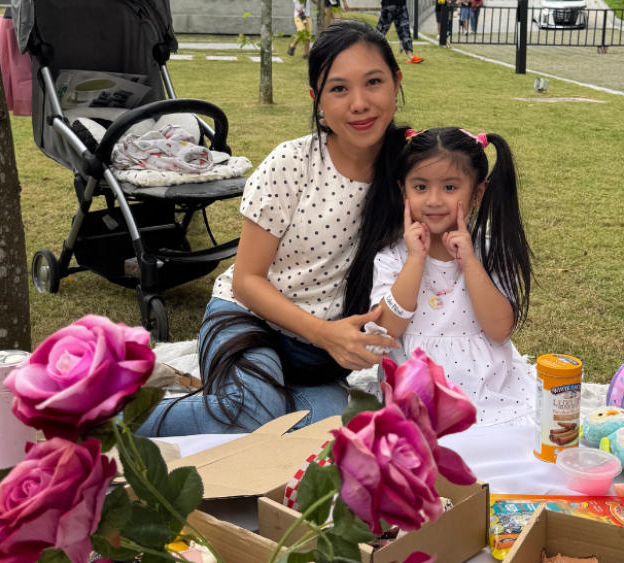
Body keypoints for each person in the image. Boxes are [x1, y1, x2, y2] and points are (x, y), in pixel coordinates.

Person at [140, 21, 405, 436]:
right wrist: (325, 333)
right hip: (247, 319)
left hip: (316, 358)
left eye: (373, 82)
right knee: (255, 410)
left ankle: (218, 399)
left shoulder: (411, 171)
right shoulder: (291, 164)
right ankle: (107, 420)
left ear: (396, 82)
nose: (359, 103)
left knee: (338, 428)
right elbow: (246, 280)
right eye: (338, 89)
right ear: (316, 99)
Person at [367, 127, 537, 426]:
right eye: (420, 187)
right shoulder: (393, 256)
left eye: (449, 187)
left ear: (477, 193)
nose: (433, 200)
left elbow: (500, 331)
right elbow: (385, 331)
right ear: (402, 190)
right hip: (413, 393)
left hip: (487, 388)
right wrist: (415, 261)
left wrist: (470, 263)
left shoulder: (488, 252)